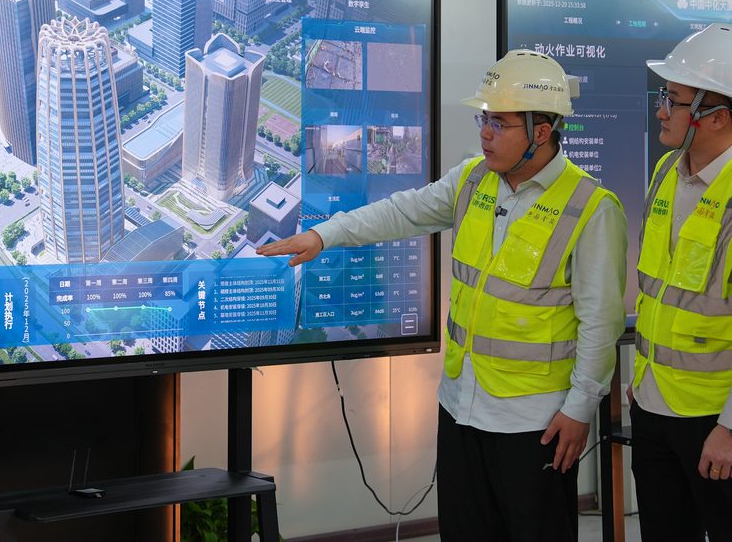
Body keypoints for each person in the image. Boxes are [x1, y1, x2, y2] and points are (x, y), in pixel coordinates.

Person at [258, 50, 627, 541]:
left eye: (499, 123)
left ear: (541, 131)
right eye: (483, 119)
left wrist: (580, 408)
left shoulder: (591, 208)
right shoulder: (473, 180)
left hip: (534, 421)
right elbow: (402, 212)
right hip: (460, 406)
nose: (485, 133)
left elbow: (601, 324)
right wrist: (325, 235)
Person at [630, 22, 732, 541]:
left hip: (714, 419)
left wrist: (731, 427)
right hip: (651, 403)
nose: (661, 110)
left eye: (673, 100)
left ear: (717, 116)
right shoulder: (666, 172)